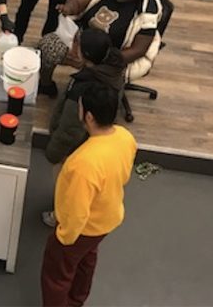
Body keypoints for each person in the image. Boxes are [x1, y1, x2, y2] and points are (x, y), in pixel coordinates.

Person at [40, 82, 136, 306]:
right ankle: (76, 300)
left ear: (89, 117)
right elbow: (124, 175)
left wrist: (63, 237)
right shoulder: (124, 136)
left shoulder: (84, 163)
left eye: (80, 107)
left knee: (57, 274)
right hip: (107, 219)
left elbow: (77, 212)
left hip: (82, 229)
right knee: (86, 260)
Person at [37, 0, 162, 98]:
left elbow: (138, 50)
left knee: (93, 97)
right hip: (80, 42)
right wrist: (68, 8)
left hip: (113, 58)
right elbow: (79, 1)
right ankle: (45, 85)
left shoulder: (147, 12)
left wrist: (91, 61)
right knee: (47, 44)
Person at [42, 29, 126, 227]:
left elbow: (69, 129)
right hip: (92, 144)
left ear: (85, 54)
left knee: (67, 187)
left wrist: (53, 152)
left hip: (72, 151)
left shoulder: (82, 89)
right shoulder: (114, 70)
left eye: (76, 44)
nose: (72, 47)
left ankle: (60, 216)